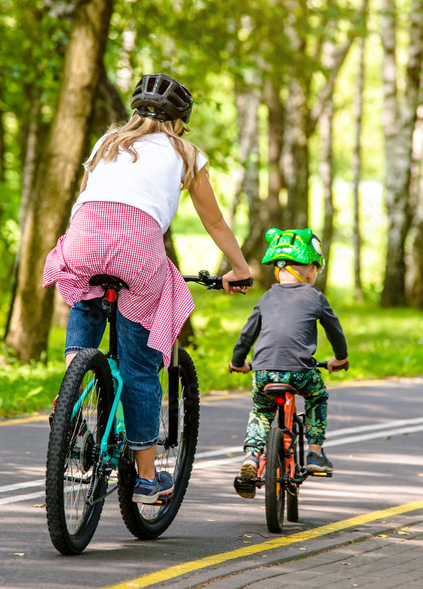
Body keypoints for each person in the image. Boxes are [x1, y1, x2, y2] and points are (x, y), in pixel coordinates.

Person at [42, 73, 251, 504]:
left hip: (84, 238)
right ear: (181, 121)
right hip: (138, 252)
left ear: (135, 111)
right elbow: (213, 221)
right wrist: (239, 268)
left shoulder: (107, 143)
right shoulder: (187, 154)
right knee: (138, 367)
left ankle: (72, 400)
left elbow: (87, 198)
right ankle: (145, 477)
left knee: (85, 297)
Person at [228, 228, 348, 496]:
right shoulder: (316, 297)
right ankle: (315, 453)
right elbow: (335, 332)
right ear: (311, 272)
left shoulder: (266, 297)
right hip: (300, 373)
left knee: (261, 412)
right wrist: (340, 358)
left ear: (276, 270)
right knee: (317, 397)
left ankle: (251, 456)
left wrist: (238, 362)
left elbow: (247, 334)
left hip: (263, 373)